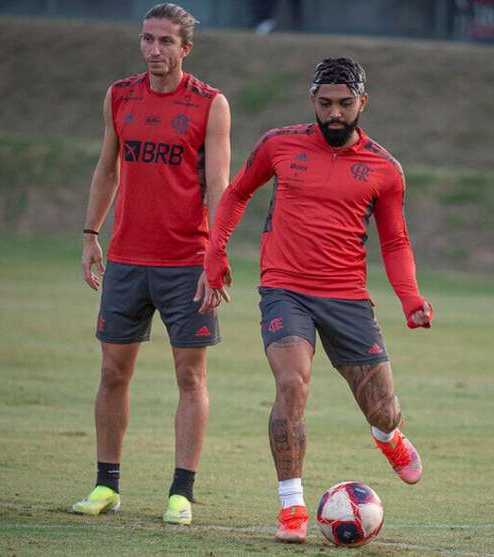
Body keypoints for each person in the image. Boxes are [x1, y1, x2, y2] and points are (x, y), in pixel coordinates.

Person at [204, 57, 432, 543]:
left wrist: (410, 297)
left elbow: (395, 242)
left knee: (383, 408)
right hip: (285, 289)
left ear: (362, 104)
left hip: (347, 297)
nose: (334, 113)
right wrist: (215, 252)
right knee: (292, 384)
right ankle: (292, 508)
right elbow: (237, 193)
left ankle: (387, 437)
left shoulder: (385, 170)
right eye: (325, 103)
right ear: (312, 101)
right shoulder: (278, 145)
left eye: (344, 104)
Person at [72, 3, 231, 526]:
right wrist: (92, 233)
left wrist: (216, 255)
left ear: (186, 48)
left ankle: (181, 493)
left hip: (186, 262)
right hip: (126, 261)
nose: (153, 50)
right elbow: (106, 168)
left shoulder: (211, 105)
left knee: (191, 376)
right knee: (112, 371)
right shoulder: (120, 96)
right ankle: (105, 485)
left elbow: (219, 188)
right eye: (147, 39)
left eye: (165, 42)